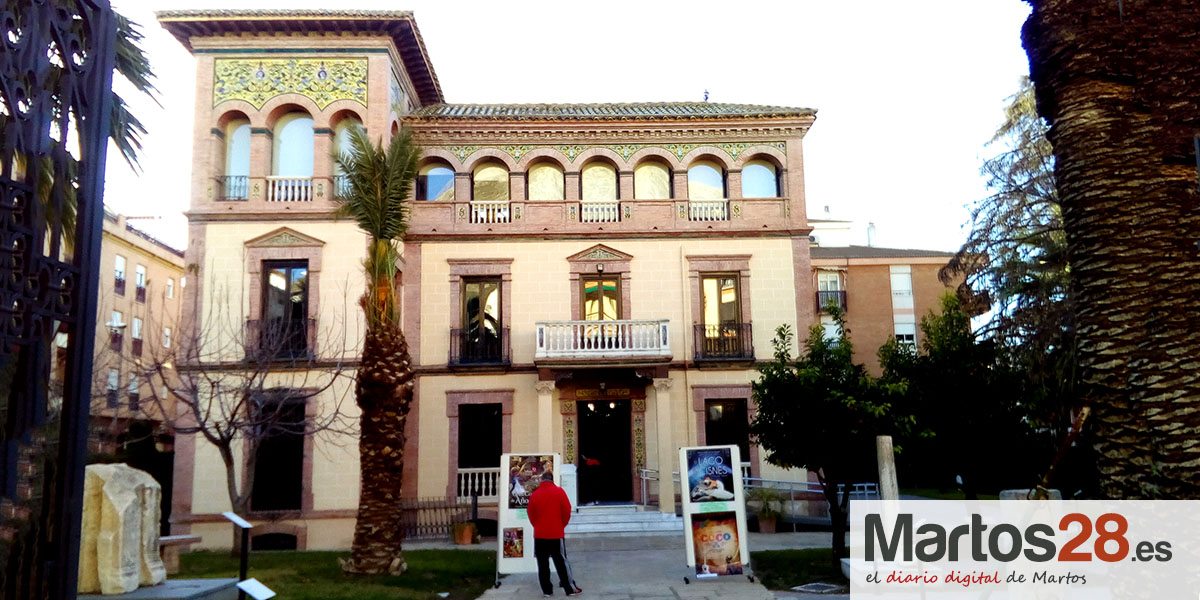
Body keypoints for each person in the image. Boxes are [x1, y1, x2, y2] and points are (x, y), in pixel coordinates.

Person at [526, 471, 582, 597]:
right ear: (552, 479)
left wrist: (537, 525)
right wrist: (562, 525)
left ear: (542, 480)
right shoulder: (559, 492)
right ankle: (569, 588)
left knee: (542, 564)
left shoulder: (535, 494)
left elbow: (530, 513)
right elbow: (567, 510)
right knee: (561, 562)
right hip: (556, 533)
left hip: (540, 535)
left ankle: (547, 590)